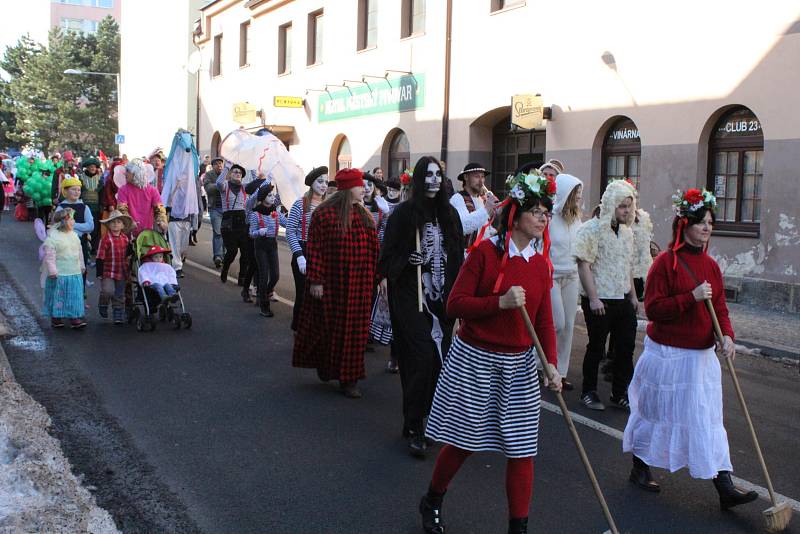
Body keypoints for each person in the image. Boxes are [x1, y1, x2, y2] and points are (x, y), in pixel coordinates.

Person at [419, 171, 561, 534]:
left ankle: (519, 528)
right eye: (537, 211)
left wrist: (552, 365)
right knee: (465, 440)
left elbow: (543, 321)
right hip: (477, 358)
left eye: (548, 212)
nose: (544, 218)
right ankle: (433, 499)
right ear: (516, 214)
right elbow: (455, 305)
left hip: (520, 365)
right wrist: (499, 303)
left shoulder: (542, 264)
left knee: (522, 448)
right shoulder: (485, 252)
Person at [622, 188, 758, 510]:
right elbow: (653, 309)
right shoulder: (664, 264)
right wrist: (690, 298)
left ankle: (724, 485)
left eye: (711, 222)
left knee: (706, 418)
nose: (708, 228)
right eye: (701, 222)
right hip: (668, 356)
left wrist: (727, 335)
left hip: (700, 357)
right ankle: (640, 468)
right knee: (656, 412)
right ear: (685, 225)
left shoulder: (711, 266)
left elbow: (721, 307)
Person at [378, 156, 464, 457]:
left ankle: (426, 418)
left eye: (438, 174)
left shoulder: (449, 214)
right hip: (410, 298)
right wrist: (407, 260)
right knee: (421, 358)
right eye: (428, 175)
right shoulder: (404, 215)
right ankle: (415, 423)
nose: (434, 180)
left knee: (440, 361)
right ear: (418, 179)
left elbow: (458, 257)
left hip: (441, 301)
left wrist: (458, 297)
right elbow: (386, 259)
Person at [292, 168, 379, 399]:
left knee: (355, 334)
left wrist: (378, 278)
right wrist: (316, 281)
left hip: (359, 286)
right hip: (334, 284)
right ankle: (327, 365)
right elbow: (316, 249)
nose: (364, 189)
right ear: (349, 188)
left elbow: (373, 251)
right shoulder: (324, 214)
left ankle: (349, 379)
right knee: (330, 329)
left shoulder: (364, 215)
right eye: (360, 185)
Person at [574, 179, 637, 411]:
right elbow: (584, 264)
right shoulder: (591, 229)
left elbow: (627, 264)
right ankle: (588, 392)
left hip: (621, 297)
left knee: (625, 347)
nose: (626, 210)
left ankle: (619, 392)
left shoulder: (627, 232)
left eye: (629, 206)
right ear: (611, 205)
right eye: (622, 206)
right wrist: (593, 298)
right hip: (599, 299)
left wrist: (632, 295)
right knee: (597, 347)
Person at [548, 173, 583, 390]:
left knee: (569, 325)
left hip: (572, 275)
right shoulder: (549, 218)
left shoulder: (577, 218)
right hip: (551, 276)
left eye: (580, 192)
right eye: (575, 193)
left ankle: (561, 372)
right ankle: (542, 362)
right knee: (557, 323)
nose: (579, 197)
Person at [286, 166, 328, 331]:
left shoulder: (327, 205)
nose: (324, 185)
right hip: (303, 251)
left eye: (325, 182)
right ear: (311, 184)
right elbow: (290, 231)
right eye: (320, 181)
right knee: (303, 295)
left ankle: (313, 329)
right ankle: (298, 328)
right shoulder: (300, 204)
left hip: (322, 254)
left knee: (319, 296)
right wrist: (299, 255)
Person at [41, 208, 87, 329]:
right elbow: (50, 255)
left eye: (73, 219)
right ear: (62, 222)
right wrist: (52, 270)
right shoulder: (53, 237)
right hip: (59, 273)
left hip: (74, 271)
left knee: (74, 295)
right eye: (70, 219)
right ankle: (56, 317)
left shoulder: (74, 235)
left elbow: (79, 251)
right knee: (58, 295)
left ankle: (74, 316)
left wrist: (82, 265)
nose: (73, 221)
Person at [249, 184, 287, 317]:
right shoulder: (255, 213)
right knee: (264, 275)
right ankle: (264, 306)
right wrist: (259, 232)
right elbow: (251, 233)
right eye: (269, 195)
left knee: (275, 275)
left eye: (273, 195)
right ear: (263, 197)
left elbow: (287, 223)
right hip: (260, 246)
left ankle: (264, 293)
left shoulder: (275, 212)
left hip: (272, 245)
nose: (273, 198)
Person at [216, 163, 252, 285]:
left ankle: (242, 277)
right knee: (232, 251)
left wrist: (252, 167)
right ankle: (225, 268)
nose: (237, 174)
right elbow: (218, 183)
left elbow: (257, 185)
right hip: (229, 222)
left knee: (246, 252)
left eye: (240, 173)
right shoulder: (225, 185)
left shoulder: (244, 187)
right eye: (235, 171)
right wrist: (226, 167)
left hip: (242, 221)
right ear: (230, 174)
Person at [449, 163, 498, 250]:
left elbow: (485, 230)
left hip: (480, 255)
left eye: (482, 177)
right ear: (466, 177)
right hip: (464, 256)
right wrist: (486, 209)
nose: (481, 181)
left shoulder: (482, 200)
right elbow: (464, 226)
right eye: (476, 176)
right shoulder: (457, 198)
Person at [96, 209, 133, 324]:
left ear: (122, 225)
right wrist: (99, 273)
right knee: (108, 291)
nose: (116, 224)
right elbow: (100, 256)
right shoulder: (106, 239)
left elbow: (128, 254)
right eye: (113, 222)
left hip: (121, 271)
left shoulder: (125, 239)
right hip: (108, 271)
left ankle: (118, 314)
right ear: (108, 225)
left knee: (119, 294)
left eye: (118, 222)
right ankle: (103, 303)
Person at [116, 158, 168, 237]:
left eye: (128, 171)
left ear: (136, 173)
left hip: (148, 234)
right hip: (129, 234)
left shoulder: (152, 190)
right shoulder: (123, 190)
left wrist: (162, 221)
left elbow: (159, 210)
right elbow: (122, 210)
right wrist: (130, 222)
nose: (125, 174)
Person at [56, 176, 94, 278]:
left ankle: (81, 292)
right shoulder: (61, 207)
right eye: (73, 189)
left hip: (82, 243)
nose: (77, 192)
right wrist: (81, 228)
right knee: (67, 270)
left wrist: (72, 225)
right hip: (65, 245)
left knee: (81, 269)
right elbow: (58, 226)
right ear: (66, 191)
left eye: (79, 190)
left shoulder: (84, 207)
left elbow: (90, 226)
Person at [79, 156, 104, 257]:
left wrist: (102, 206)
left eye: (94, 167)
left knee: (95, 228)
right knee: (85, 227)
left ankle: (94, 247)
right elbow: (78, 192)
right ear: (87, 168)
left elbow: (102, 194)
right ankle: (84, 246)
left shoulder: (100, 180)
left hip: (96, 208)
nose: (92, 168)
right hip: (84, 207)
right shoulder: (81, 179)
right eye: (90, 167)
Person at [203, 157, 225, 267]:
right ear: (213, 166)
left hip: (227, 209)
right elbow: (208, 188)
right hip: (215, 208)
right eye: (216, 164)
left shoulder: (227, 174)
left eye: (221, 163)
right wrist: (219, 185)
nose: (219, 165)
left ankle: (225, 256)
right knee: (218, 232)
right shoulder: (209, 175)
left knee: (226, 233)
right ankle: (218, 256)